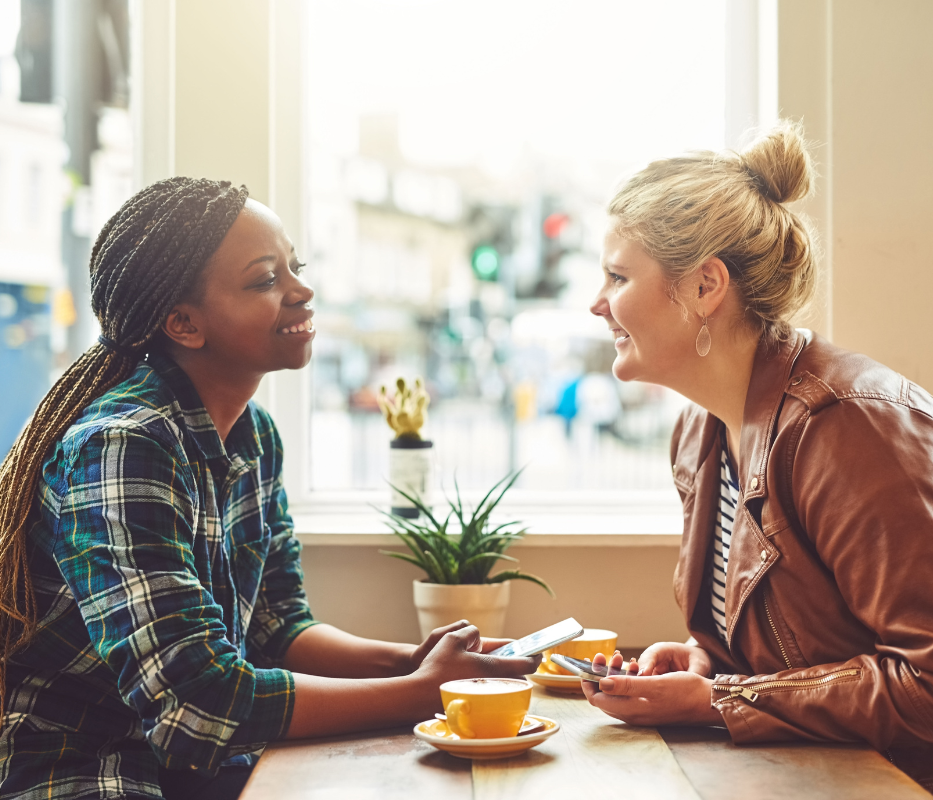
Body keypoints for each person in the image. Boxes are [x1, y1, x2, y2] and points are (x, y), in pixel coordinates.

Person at [0, 178, 540, 800]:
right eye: (264, 280)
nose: (302, 291)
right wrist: (421, 695)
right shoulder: (125, 445)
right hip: (76, 761)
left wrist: (417, 662)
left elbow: (275, 628)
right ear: (183, 323)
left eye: (295, 268)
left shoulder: (253, 436)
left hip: (190, 766)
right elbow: (195, 707)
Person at [583, 123, 933, 800]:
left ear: (705, 286)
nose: (597, 303)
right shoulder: (701, 428)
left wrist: (715, 701)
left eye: (618, 275)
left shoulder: (854, 429)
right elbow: (807, 649)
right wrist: (701, 670)